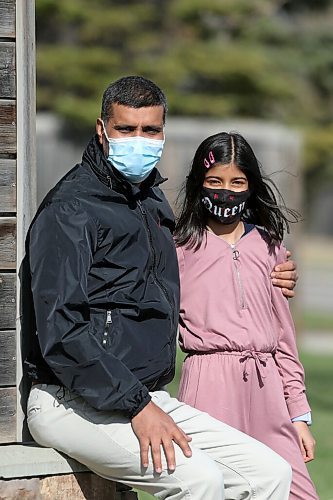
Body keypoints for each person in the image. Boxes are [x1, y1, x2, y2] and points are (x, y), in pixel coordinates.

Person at [24, 76, 296, 499]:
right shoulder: (71, 210)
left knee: (271, 473)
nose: (139, 140)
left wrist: (270, 269)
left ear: (163, 132)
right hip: (71, 400)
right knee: (199, 480)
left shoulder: (148, 201)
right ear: (102, 130)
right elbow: (62, 333)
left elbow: (199, 261)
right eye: (126, 129)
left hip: (139, 395)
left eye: (150, 130)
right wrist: (137, 405)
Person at [174, 132, 318, 499]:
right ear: (198, 184)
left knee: (297, 491)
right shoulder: (178, 248)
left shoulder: (269, 245)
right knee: (214, 488)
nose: (226, 191)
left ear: (250, 186)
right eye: (215, 182)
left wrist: (298, 414)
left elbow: (284, 337)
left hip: (268, 388)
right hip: (209, 385)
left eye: (237, 182)